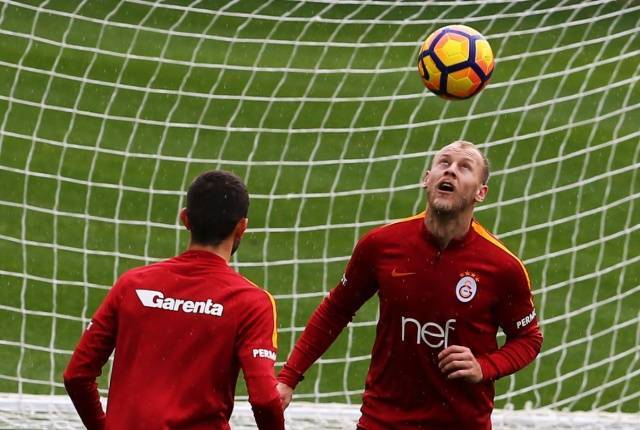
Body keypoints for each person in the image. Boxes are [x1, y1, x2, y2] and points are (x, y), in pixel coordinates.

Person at [277, 141, 543, 429]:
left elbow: (528, 338)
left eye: (464, 167)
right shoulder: (382, 245)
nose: (451, 171)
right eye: (444, 163)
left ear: (481, 192)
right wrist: (288, 378)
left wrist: (485, 366)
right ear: (427, 178)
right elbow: (336, 310)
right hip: (382, 421)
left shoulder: (502, 267)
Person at [64, 171, 284, 430]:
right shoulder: (252, 302)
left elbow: (77, 375)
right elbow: (265, 400)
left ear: (185, 219)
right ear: (242, 227)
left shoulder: (133, 285)